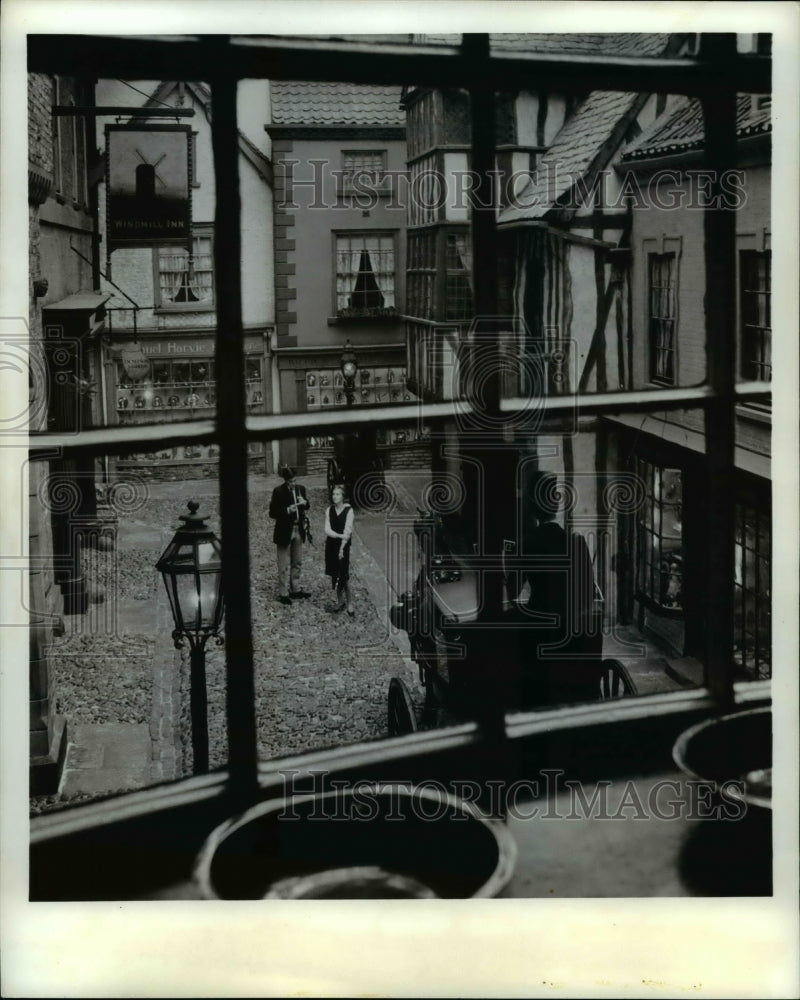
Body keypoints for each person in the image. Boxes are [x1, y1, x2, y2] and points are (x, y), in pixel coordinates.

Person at [518, 472, 599, 706]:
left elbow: (513, 587)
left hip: (542, 632)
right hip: (576, 633)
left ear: (533, 509)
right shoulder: (577, 543)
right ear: (556, 506)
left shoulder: (529, 544)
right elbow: (588, 590)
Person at [269, 466, 311, 606]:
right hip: (284, 531)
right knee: (283, 564)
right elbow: (272, 513)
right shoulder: (278, 491)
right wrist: (287, 510)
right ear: (286, 481)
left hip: (298, 529)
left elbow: (307, 506)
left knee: (297, 561)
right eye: (291, 481)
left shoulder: (301, 489)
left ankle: (295, 588)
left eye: (294, 480)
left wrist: (305, 503)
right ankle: (283, 593)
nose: (293, 483)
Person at [324, 483, 355, 617]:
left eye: (337, 494)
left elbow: (347, 532)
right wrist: (338, 535)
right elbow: (327, 529)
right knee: (335, 574)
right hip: (331, 545)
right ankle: (340, 601)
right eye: (333, 494)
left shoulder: (349, 511)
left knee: (344, 575)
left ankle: (349, 603)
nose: (334, 496)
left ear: (343, 497)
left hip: (343, 546)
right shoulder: (329, 510)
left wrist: (342, 549)